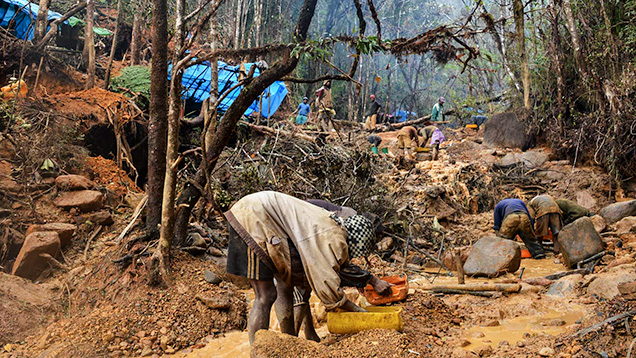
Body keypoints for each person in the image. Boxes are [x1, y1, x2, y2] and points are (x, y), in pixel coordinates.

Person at [225, 191, 391, 345]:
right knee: (265, 296)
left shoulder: (335, 225)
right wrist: (360, 312)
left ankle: (289, 343)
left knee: (283, 285)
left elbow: (335, 267)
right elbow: (326, 283)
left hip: (259, 216)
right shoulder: (330, 235)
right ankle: (258, 352)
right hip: (254, 217)